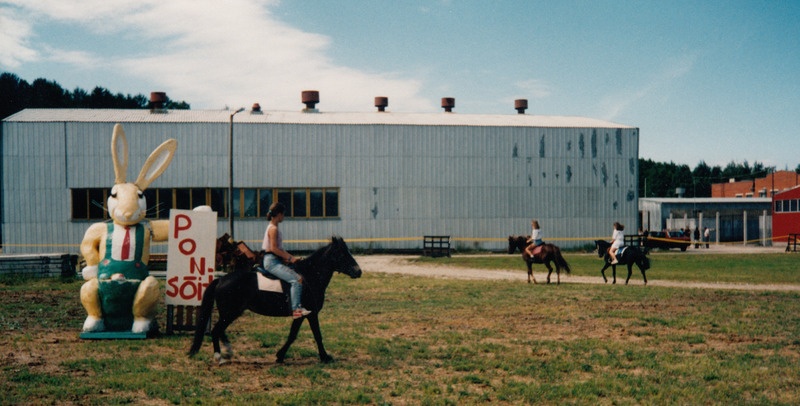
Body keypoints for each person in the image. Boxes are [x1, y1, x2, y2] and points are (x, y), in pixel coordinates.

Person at [258, 202, 311, 319]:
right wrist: (291, 258)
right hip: (272, 262)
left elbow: (279, 249)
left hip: (275, 260)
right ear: (279, 214)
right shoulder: (273, 229)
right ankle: (296, 310)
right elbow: (274, 249)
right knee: (297, 280)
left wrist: (289, 258)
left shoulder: (273, 227)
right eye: (283, 214)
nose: (284, 217)